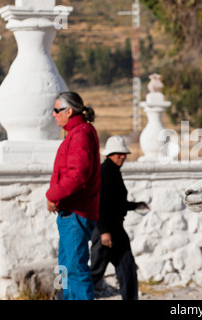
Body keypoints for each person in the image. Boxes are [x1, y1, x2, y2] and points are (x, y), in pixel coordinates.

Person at [46, 91, 100, 300]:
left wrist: (52, 195)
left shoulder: (80, 134)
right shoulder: (75, 133)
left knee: (75, 269)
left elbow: (77, 175)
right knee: (64, 268)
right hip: (70, 213)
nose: (53, 115)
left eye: (56, 110)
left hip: (77, 213)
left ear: (69, 111)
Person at [90, 135, 150, 300]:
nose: (122, 156)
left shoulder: (113, 171)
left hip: (116, 229)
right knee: (95, 271)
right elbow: (100, 203)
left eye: (124, 153)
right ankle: (73, 296)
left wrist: (135, 205)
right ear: (109, 154)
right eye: (118, 153)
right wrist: (104, 231)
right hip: (106, 231)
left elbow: (116, 203)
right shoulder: (105, 172)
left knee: (127, 268)